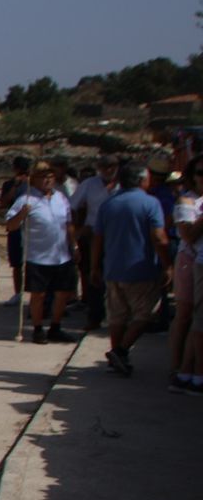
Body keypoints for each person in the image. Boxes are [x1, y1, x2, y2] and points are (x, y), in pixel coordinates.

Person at [92, 162, 170, 377]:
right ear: (142, 180)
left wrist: (94, 266)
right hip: (142, 270)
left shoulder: (108, 204)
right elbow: (159, 238)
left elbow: (98, 238)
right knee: (145, 314)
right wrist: (167, 264)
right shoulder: (150, 203)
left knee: (117, 316)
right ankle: (121, 350)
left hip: (113, 269)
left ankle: (117, 357)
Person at [5, 160, 78, 344]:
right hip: (37, 257)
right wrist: (22, 214)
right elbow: (10, 226)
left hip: (61, 255)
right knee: (39, 295)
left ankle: (55, 326)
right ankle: (38, 329)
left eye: (50, 176)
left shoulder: (61, 198)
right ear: (34, 180)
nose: (47, 180)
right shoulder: (26, 199)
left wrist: (74, 245)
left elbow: (68, 224)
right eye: (43, 177)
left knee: (63, 293)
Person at [70, 155, 120, 330]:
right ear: (99, 167)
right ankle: (95, 316)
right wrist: (79, 230)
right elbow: (72, 206)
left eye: (112, 165)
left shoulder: (124, 184)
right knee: (94, 274)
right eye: (105, 166)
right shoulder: (89, 184)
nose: (108, 169)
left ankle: (117, 315)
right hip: (94, 234)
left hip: (118, 235)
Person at [169, 157, 203, 393]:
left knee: (196, 318)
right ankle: (178, 366)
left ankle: (187, 368)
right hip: (188, 260)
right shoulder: (187, 200)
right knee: (185, 317)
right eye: (201, 172)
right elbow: (189, 235)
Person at [0, 156, 31, 305]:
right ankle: (18, 293)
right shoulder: (10, 184)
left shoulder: (33, 185)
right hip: (15, 226)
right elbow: (3, 202)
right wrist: (15, 186)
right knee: (16, 262)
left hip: (32, 228)